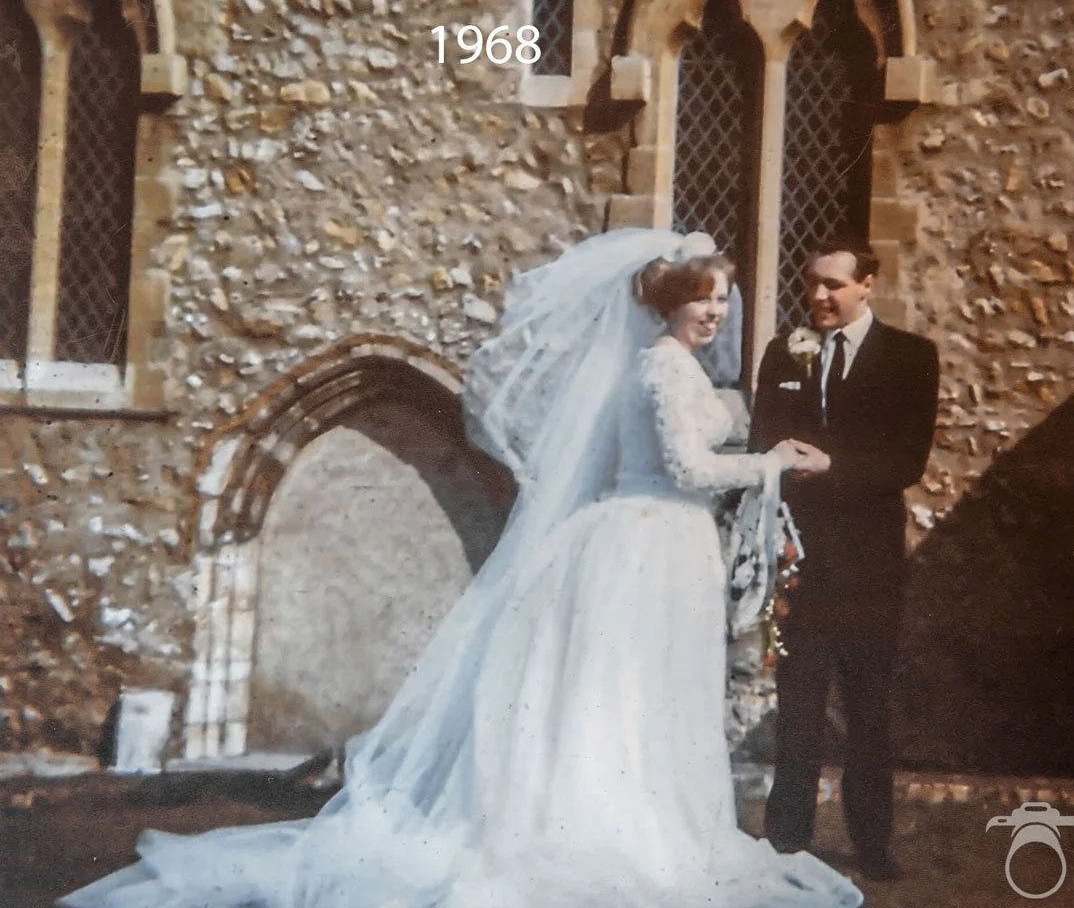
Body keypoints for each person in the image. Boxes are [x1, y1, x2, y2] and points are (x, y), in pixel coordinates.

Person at [60, 229, 866, 907]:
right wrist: (770, 462)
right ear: (667, 303)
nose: (716, 312)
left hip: (659, 544)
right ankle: (616, 833)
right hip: (648, 541)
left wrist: (737, 424)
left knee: (638, 698)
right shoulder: (659, 366)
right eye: (704, 299)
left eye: (723, 300)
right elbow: (688, 472)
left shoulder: (670, 368)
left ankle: (644, 822)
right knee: (622, 696)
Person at [748, 237, 939, 881]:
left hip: (867, 566)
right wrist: (778, 465)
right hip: (800, 556)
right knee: (796, 703)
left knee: (866, 707)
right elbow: (761, 437)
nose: (820, 297)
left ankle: (873, 844)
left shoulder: (911, 358)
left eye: (833, 284)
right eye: (812, 285)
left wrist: (833, 467)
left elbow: (906, 461)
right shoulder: (786, 352)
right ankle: (786, 839)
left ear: (868, 285)